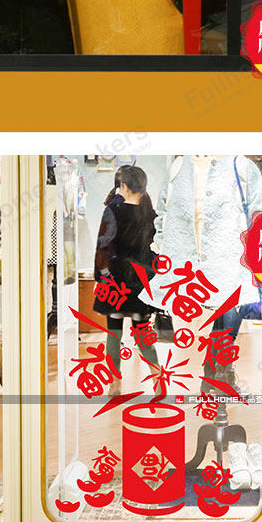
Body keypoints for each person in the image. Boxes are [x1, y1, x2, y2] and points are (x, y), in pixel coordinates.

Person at [93, 161, 171, 390]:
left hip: (116, 280)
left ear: (124, 187)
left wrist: (101, 276)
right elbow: (159, 249)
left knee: (114, 333)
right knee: (142, 332)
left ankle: (115, 384)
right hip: (141, 283)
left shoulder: (113, 211)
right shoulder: (152, 214)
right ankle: (157, 378)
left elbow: (103, 246)